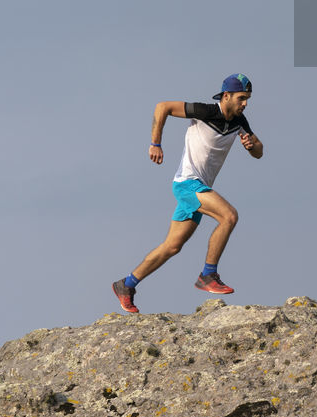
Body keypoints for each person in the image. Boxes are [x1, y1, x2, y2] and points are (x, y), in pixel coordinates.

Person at [112, 73, 263, 314]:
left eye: (248, 99)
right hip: (187, 184)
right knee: (229, 216)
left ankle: (126, 284)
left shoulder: (240, 122)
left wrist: (252, 146)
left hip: (199, 187)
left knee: (172, 246)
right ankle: (208, 275)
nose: (245, 103)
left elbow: (259, 152)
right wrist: (156, 143)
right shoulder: (205, 111)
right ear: (226, 96)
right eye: (241, 98)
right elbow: (163, 107)